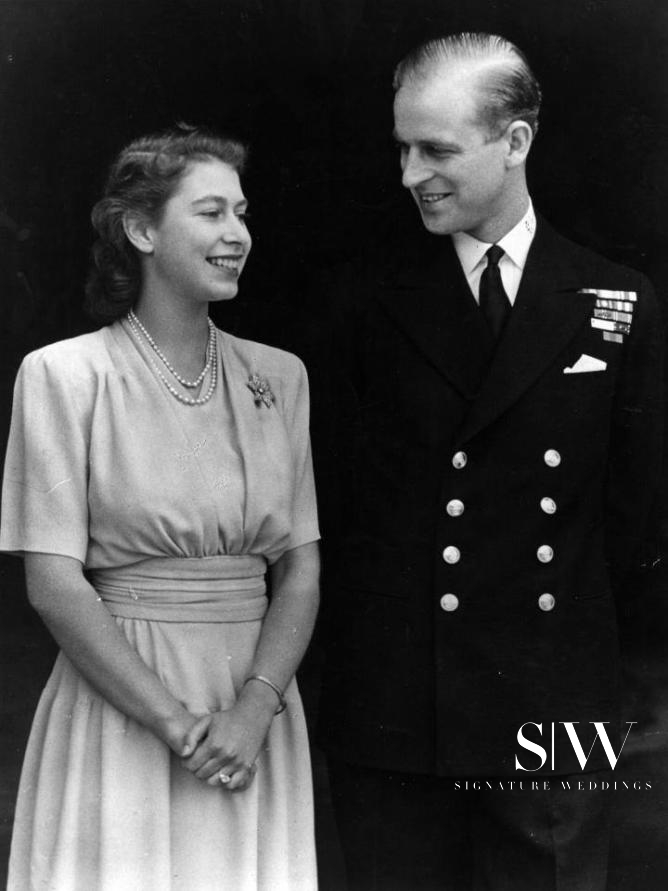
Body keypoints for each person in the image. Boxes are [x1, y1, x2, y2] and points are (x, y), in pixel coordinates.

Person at [315, 32, 664, 890]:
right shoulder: (365, 297)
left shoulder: (614, 296)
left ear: (516, 141)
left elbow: (641, 519)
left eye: (436, 149)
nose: (410, 174)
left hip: (553, 703)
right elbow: (336, 501)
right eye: (402, 148)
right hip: (401, 701)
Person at [0, 125, 320, 890]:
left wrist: (251, 713)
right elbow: (53, 581)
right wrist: (177, 725)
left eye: (242, 213)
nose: (237, 234)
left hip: (254, 710)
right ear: (142, 229)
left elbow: (302, 569)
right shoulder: (64, 376)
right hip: (123, 704)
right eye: (211, 213)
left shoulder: (279, 378)